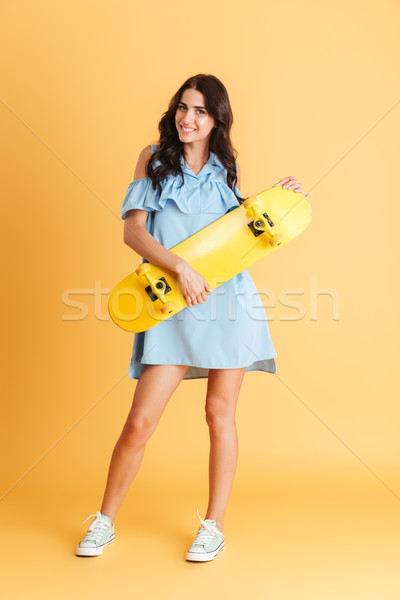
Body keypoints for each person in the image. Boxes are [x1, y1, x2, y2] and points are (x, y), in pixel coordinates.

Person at [75, 74, 308, 561]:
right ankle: (104, 520)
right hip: (172, 300)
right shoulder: (152, 158)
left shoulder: (227, 165)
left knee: (219, 416)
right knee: (140, 422)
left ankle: (213, 526)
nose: (188, 118)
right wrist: (180, 269)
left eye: (201, 111)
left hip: (227, 303)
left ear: (217, 120)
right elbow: (133, 233)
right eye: (183, 107)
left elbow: (238, 232)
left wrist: (279, 198)